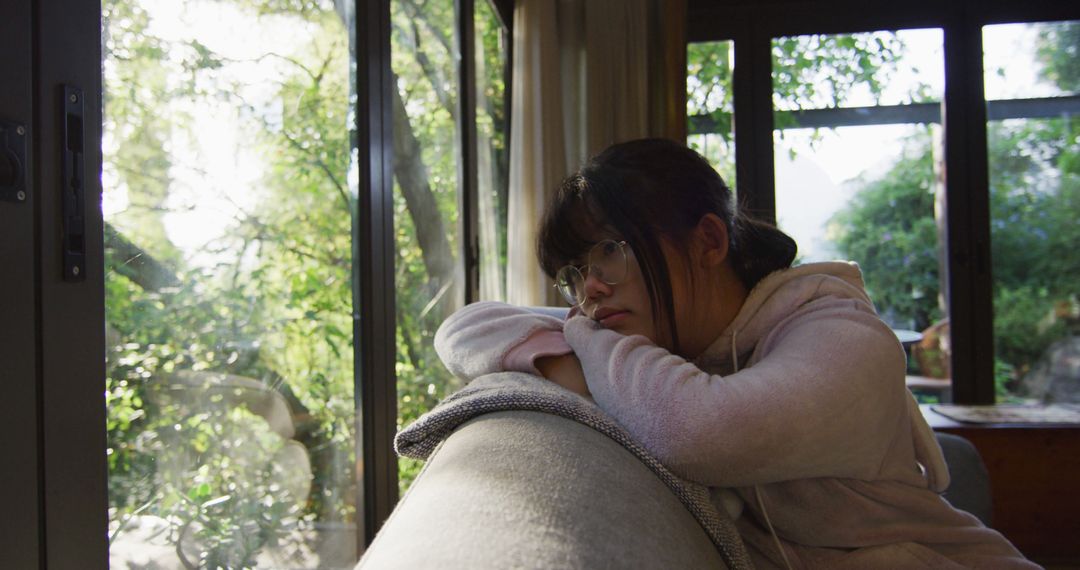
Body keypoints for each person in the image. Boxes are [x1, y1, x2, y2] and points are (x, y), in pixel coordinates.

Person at [433, 138, 1035, 569]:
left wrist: (589, 341)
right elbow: (466, 327)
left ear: (709, 242)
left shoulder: (847, 340)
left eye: (609, 252)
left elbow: (699, 432)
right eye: (575, 272)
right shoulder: (669, 341)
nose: (589, 290)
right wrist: (573, 370)